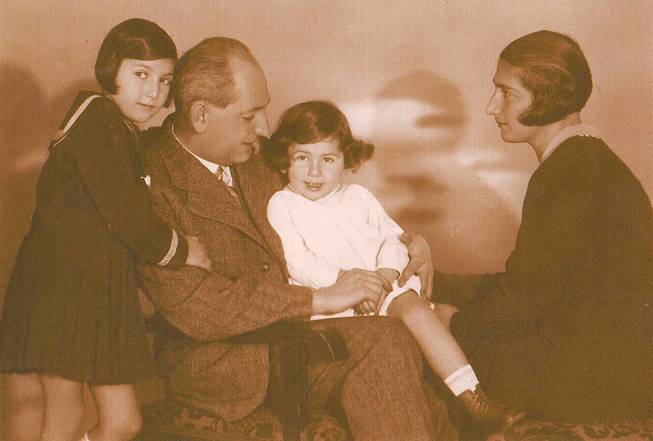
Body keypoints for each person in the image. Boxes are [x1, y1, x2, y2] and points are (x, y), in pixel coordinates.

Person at [138, 37, 448, 441]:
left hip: (305, 341)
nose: (264, 128)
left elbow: (342, 214)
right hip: (229, 366)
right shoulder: (149, 185)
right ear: (201, 115)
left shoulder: (264, 156)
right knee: (386, 344)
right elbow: (197, 306)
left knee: (416, 380)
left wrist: (407, 243)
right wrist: (316, 299)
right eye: (249, 116)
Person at [0, 18, 210, 441]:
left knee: (99, 419)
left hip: (75, 286)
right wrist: (184, 250)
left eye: (165, 80)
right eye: (141, 74)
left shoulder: (108, 124)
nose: (154, 92)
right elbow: (129, 215)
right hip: (68, 288)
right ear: (111, 69)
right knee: (65, 416)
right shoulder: (99, 120)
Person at [432, 30, 653, 424]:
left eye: (506, 93)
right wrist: (438, 283)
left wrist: (454, 323)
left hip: (593, 383)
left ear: (546, 97)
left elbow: (523, 298)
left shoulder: (565, 172)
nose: (491, 107)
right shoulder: (590, 159)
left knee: (432, 348)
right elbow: (534, 282)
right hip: (619, 371)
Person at [263, 100, 523, 434]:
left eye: (327, 159)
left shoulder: (358, 197)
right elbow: (297, 260)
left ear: (345, 160)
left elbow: (393, 239)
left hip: (382, 290)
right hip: (333, 304)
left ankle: (472, 397)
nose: (314, 172)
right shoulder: (283, 204)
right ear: (285, 159)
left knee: (419, 310)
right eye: (302, 157)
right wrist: (350, 285)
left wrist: (385, 276)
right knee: (402, 335)